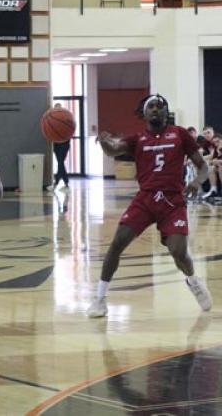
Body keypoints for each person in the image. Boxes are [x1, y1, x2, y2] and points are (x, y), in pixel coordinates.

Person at [86, 94, 212, 318]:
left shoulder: (180, 134)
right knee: (117, 243)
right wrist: (105, 143)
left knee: (178, 252)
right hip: (145, 199)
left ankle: (193, 281)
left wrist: (196, 182)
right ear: (144, 113)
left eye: (160, 106)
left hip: (172, 201)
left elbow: (203, 166)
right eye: (151, 107)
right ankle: (99, 298)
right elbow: (113, 149)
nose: (156, 109)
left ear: (166, 112)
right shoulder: (137, 139)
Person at [47, 104, 71, 192]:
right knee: (60, 163)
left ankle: (56, 183)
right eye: (55, 108)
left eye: (58, 108)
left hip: (64, 144)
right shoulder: (53, 119)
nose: (57, 110)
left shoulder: (66, 118)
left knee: (60, 162)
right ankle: (66, 182)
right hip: (56, 144)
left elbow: (70, 130)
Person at [203, 133, 222, 198]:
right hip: (220, 165)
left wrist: (219, 159)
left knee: (221, 167)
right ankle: (213, 189)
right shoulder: (217, 148)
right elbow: (212, 160)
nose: (216, 144)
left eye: (218, 141)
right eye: (215, 142)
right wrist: (215, 161)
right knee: (211, 168)